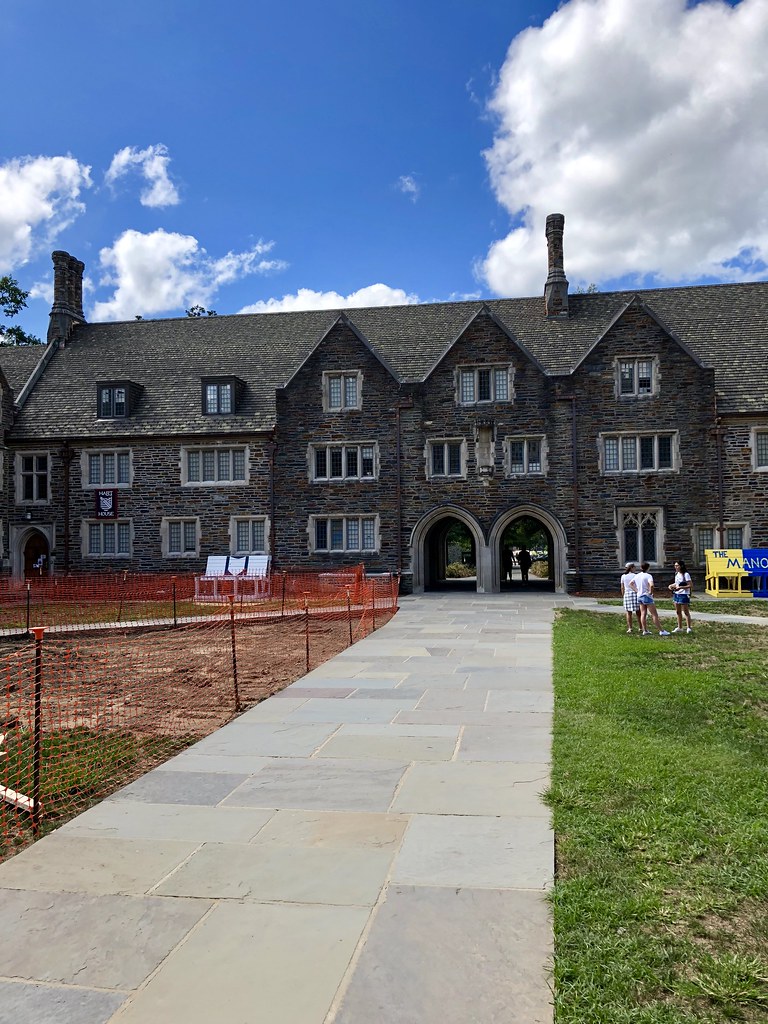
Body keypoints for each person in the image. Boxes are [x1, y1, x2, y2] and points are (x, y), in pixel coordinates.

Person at [632, 562, 670, 636]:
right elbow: (652, 585)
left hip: (639, 596)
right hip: (647, 596)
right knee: (654, 614)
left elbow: (631, 584)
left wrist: (637, 590)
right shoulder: (648, 576)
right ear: (648, 568)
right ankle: (661, 630)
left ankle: (645, 630)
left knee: (643, 613)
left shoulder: (637, 575)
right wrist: (650, 592)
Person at [669, 559, 693, 633]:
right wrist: (671, 586)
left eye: (677, 565)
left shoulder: (686, 574)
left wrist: (681, 587)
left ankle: (689, 627)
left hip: (684, 594)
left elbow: (690, 585)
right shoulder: (676, 574)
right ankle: (680, 627)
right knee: (678, 611)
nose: (675, 567)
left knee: (686, 611)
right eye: (675, 565)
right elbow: (677, 583)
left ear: (681, 566)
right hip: (677, 594)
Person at [620, 561, 642, 633]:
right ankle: (640, 627)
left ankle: (630, 628)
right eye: (634, 567)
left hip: (627, 594)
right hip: (635, 594)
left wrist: (623, 595)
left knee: (628, 612)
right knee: (638, 612)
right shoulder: (636, 575)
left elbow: (622, 587)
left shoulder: (623, 576)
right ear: (631, 568)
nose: (635, 568)